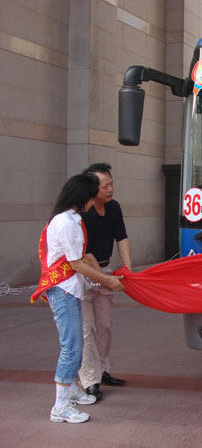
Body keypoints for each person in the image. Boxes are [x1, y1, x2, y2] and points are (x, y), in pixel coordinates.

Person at [31, 173, 124, 423]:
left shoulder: (69, 218)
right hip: (63, 291)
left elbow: (80, 260)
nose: (94, 202)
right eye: (92, 197)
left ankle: (71, 391)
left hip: (69, 288)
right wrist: (106, 280)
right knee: (71, 348)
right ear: (83, 197)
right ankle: (60, 406)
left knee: (76, 346)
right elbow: (77, 263)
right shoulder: (67, 223)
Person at [79, 163, 131, 401]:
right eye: (104, 186)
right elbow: (84, 254)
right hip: (82, 274)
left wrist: (128, 268)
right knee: (86, 330)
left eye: (111, 184)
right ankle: (89, 380)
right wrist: (104, 279)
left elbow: (122, 237)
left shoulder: (113, 207)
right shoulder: (80, 212)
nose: (110, 189)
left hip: (104, 269)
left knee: (105, 326)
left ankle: (101, 369)